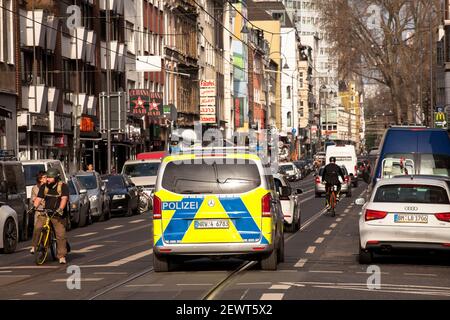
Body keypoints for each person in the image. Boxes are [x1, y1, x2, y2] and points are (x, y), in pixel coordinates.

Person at [33, 168, 70, 264]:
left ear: (56, 178)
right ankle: (36, 246)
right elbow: (39, 198)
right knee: (38, 227)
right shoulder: (44, 187)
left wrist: (60, 209)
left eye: (50, 177)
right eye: (47, 177)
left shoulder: (63, 186)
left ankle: (61, 255)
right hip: (46, 212)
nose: (47, 179)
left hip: (57, 214)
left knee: (60, 234)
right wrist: (34, 207)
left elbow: (64, 199)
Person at [29, 171, 47, 254]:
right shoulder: (35, 188)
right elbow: (33, 199)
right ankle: (34, 246)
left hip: (47, 211)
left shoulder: (48, 187)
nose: (45, 179)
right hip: (39, 211)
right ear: (40, 179)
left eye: (46, 177)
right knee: (36, 229)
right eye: (44, 177)